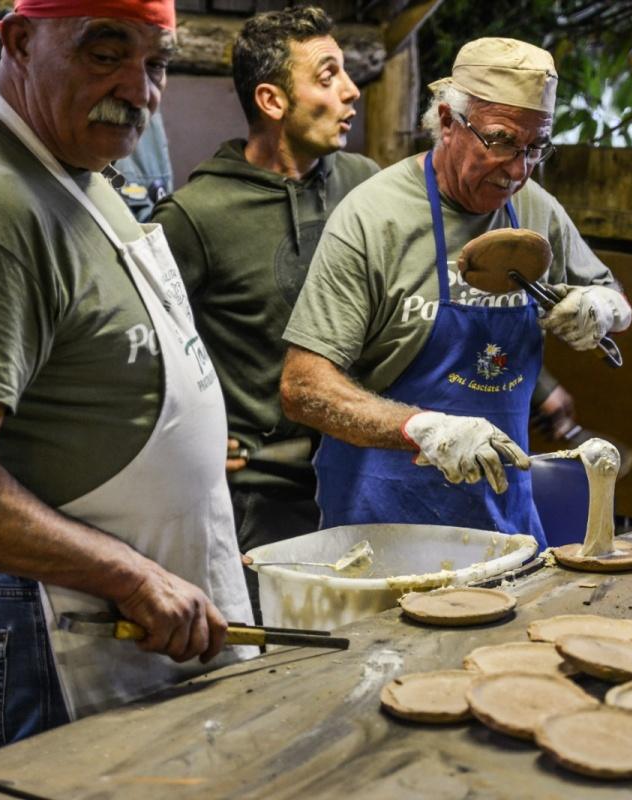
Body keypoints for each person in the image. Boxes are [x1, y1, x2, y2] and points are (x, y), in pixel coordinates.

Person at [0, 0, 252, 755]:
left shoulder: (70, 154)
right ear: (17, 40)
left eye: (157, 63)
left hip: (108, 611)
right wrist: (135, 576)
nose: (139, 89)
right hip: (55, 625)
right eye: (105, 54)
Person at [279, 38, 632, 548]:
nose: (519, 169)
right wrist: (422, 429)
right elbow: (303, 388)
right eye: (502, 141)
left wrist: (602, 308)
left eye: (537, 148)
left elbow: (615, 299)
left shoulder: (536, 208)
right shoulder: (373, 218)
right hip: (382, 520)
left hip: (502, 520)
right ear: (447, 121)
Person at [152, 5, 377, 616]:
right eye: (328, 76)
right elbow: (142, 347)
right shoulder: (196, 217)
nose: (352, 91)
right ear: (273, 101)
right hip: (261, 503)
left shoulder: (366, 186)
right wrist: (183, 436)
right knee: (280, 675)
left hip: (368, 481)